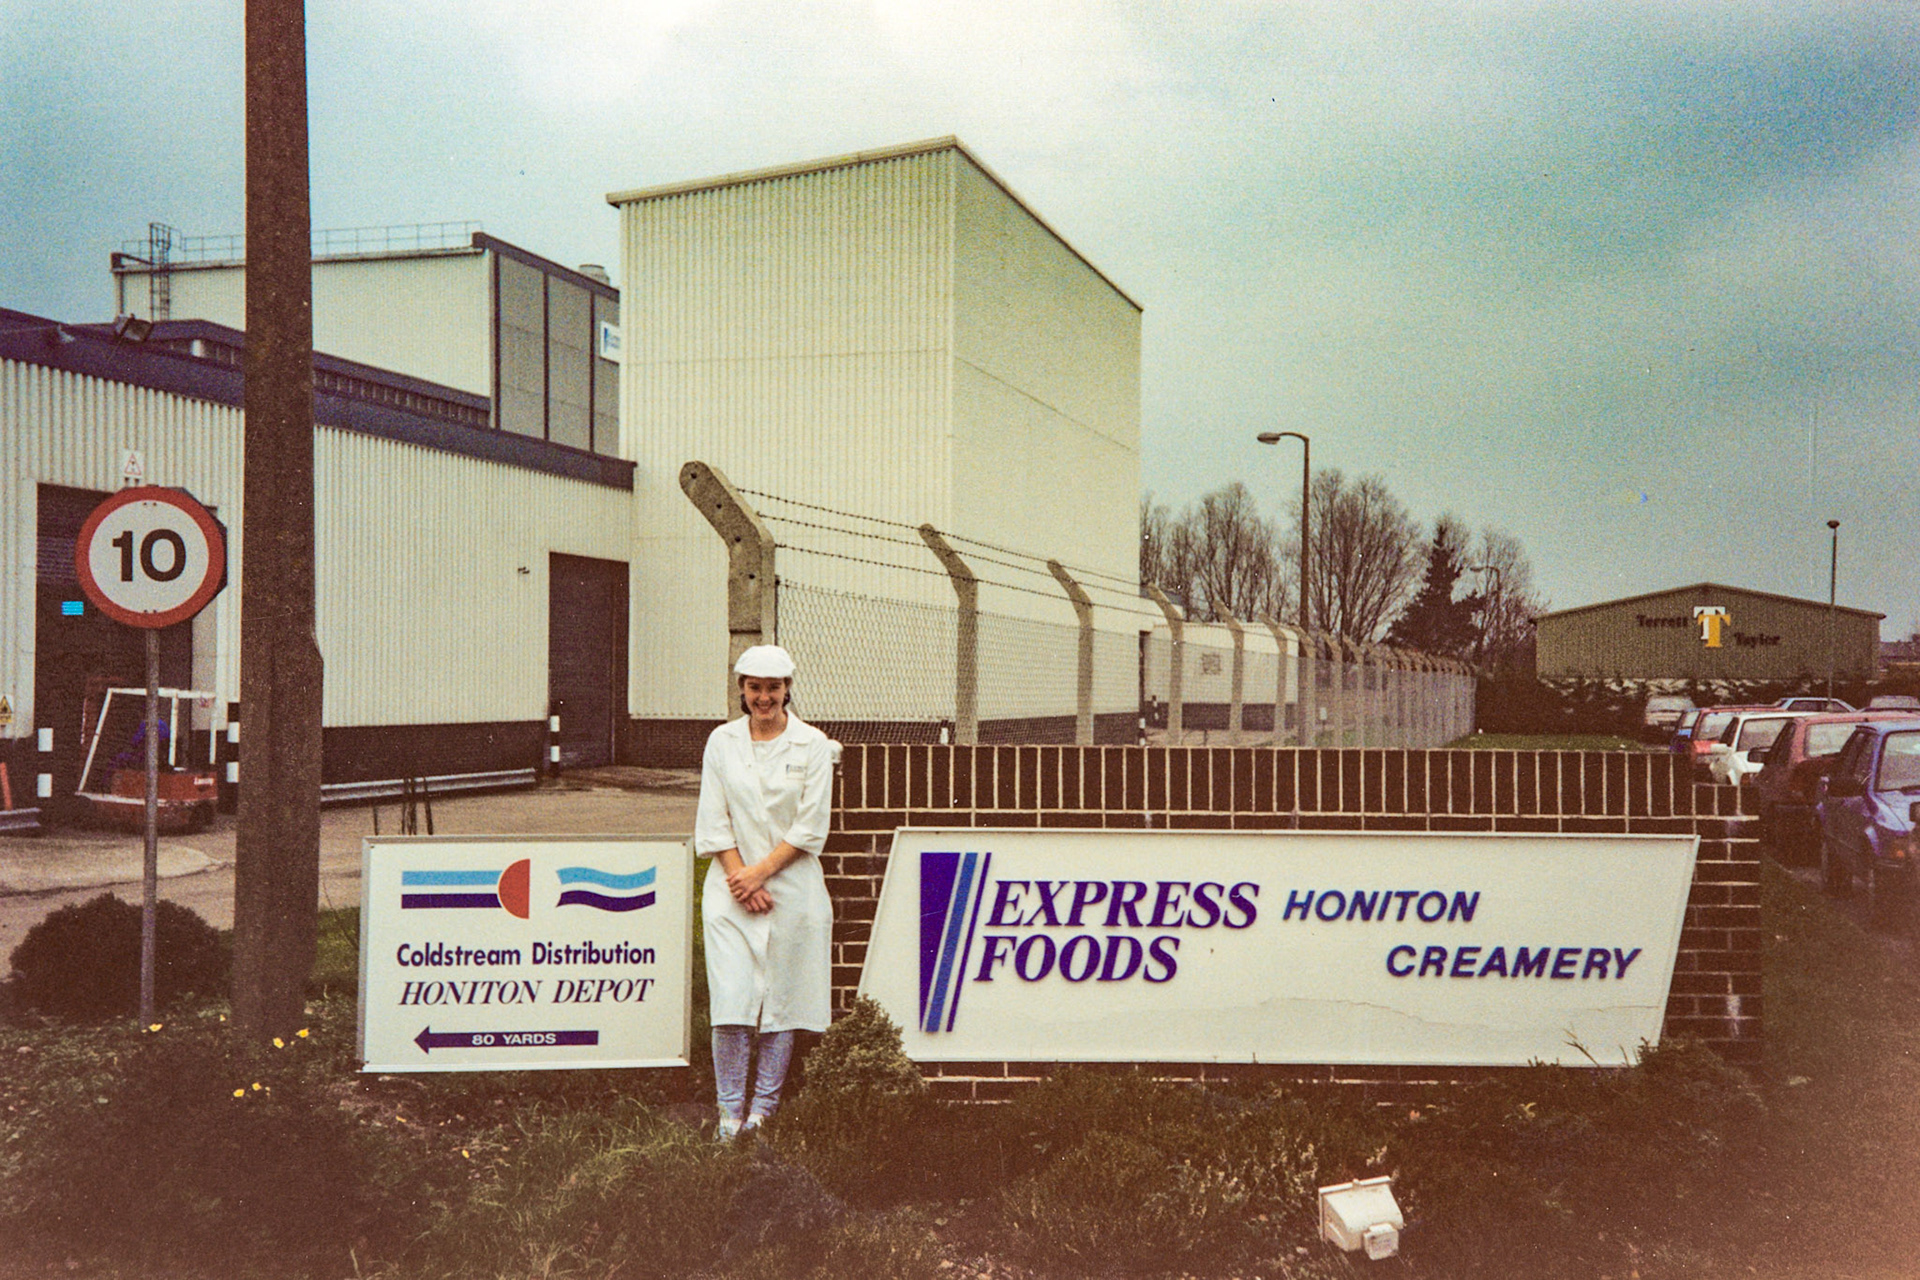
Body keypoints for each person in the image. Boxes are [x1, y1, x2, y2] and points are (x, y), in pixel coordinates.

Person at [693, 643, 836, 1138]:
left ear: (787, 689)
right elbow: (713, 822)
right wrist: (741, 878)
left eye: (773, 688)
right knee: (732, 997)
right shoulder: (721, 742)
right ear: (742, 690)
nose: (764, 698)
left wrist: (760, 874)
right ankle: (729, 1114)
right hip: (731, 890)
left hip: (791, 888)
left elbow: (810, 827)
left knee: (783, 999)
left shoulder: (812, 745)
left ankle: (762, 1112)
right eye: (754, 688)